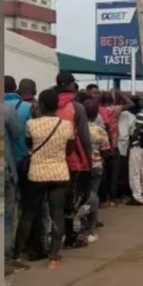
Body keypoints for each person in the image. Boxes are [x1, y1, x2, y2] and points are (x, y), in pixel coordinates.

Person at [16, 88, 76, 269]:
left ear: (40, 105)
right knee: (56, 214)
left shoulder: (32, 125)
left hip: (37, 174)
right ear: (57, 105)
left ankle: (17, 255)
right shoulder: (66, 125)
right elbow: (70, 150)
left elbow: (29, 146)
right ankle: (54, 257)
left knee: (28, 214)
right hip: (60, 173)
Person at [54, 72, 92, 247]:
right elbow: (84, 138)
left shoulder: (47, 103)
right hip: (71, 159)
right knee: (70, 200)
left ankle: (51, 238)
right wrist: (88, 161)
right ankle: (69, 237)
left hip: (48, 158)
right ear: (70, 85)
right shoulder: (77, 107)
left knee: (51, 201)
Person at [4, 76, 33, 272]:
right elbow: (18, 133)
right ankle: (5, 258)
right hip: (9, 165)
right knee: (9, 214)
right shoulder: (10, 109)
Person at [83, 99, 112, 243]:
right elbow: (106, 150)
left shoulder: (77, 129)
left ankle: (82, 220)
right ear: (96, 115)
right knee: (93, 195)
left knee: (82, 195)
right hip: (96, 165)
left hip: (82, 167)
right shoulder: (100, 131)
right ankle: (91, 228)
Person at [98, 92, 121, 206]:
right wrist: (119, 93)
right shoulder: (115, 109)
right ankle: (113, 198)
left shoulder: (98, 109)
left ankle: (104, 198)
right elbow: (130, 104)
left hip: (100, 146)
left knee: (102, 174)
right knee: (114, 174)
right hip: (114, 145)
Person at [116, 95, 138, 204]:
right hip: (124, 147)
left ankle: (113, 196)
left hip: (110, 146)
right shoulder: (131, 116)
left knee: (114, 173)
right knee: (123, 173)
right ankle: (123, 195)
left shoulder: (107, 112)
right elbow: (133, 134)